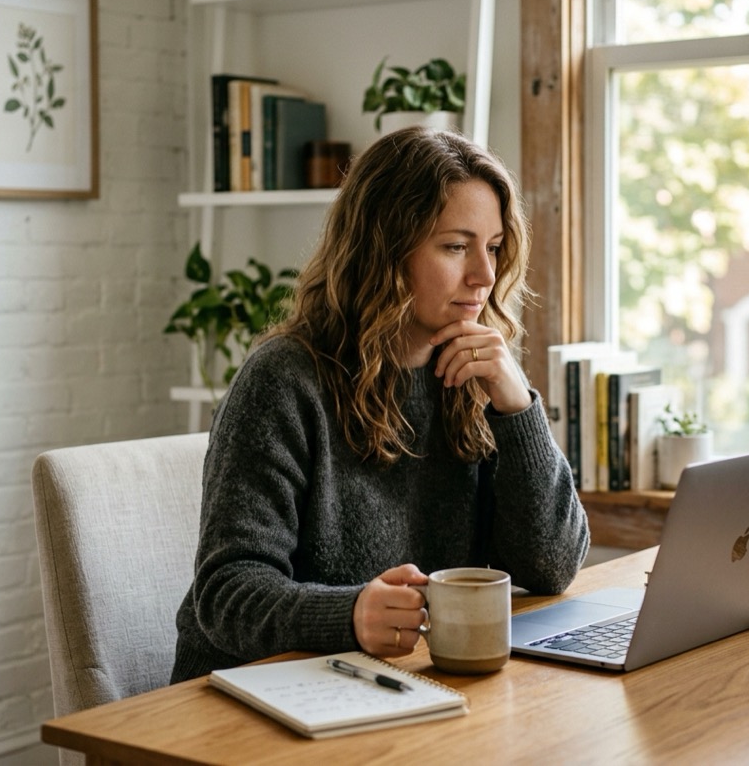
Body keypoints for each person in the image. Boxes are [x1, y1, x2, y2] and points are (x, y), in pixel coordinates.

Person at [170, 126, 589, 682]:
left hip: (389, 685)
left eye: (491, 249)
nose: (484, 276)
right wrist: (348, 614)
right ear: (384, 250)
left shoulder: (474, 376)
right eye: (456, 247)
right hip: (251, 697)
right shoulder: (283, 381)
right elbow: (226, 594)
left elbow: (552, 567)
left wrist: (518, 410)